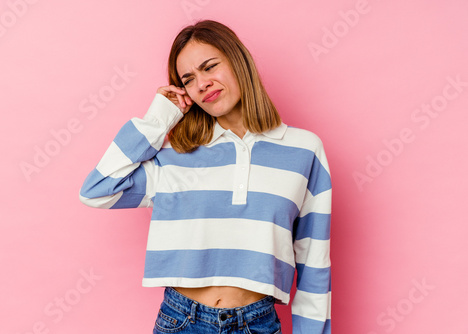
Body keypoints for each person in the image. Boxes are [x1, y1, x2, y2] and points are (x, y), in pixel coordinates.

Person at [79, 19, 332, 334]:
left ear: (238, 61)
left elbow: (315, 266)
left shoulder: (303, 150)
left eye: (210, 67)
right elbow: (97, 190)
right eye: (188, 79)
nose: (202, 84)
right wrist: (158, 119)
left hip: (258, 325)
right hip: (181, 321)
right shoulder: (176, 154)